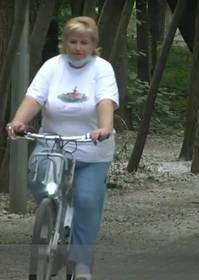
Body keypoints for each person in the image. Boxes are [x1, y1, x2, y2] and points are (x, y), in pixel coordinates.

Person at [6, 16, 119, 280]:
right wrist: (18, 121)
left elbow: (105, 101)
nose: (78, 47)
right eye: (73, 41)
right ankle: (52, 219)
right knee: (41, 184)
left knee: (87, 200)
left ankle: (81, 263)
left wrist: (103, 128)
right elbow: (34, 97)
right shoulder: (52, 67)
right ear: (64, 43)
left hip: (91, 149)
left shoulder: (102, 68)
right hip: (52, 143)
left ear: (93, 45)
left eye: (84, 42)